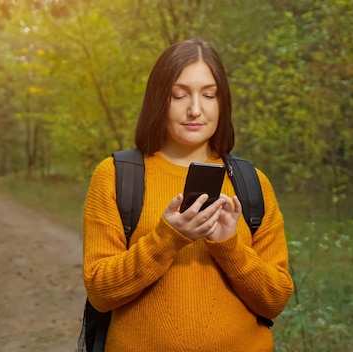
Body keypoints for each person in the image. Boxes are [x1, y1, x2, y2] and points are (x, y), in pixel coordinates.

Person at [81, 38, 294, 352]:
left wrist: (229, 246)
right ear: (158, 100)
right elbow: (100, 291)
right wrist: (168, 237)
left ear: (222, 103)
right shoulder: (115, 175)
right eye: (178, 95)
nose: (195, 109)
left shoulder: (252, 183)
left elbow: (275, 300)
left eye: (209, 95)